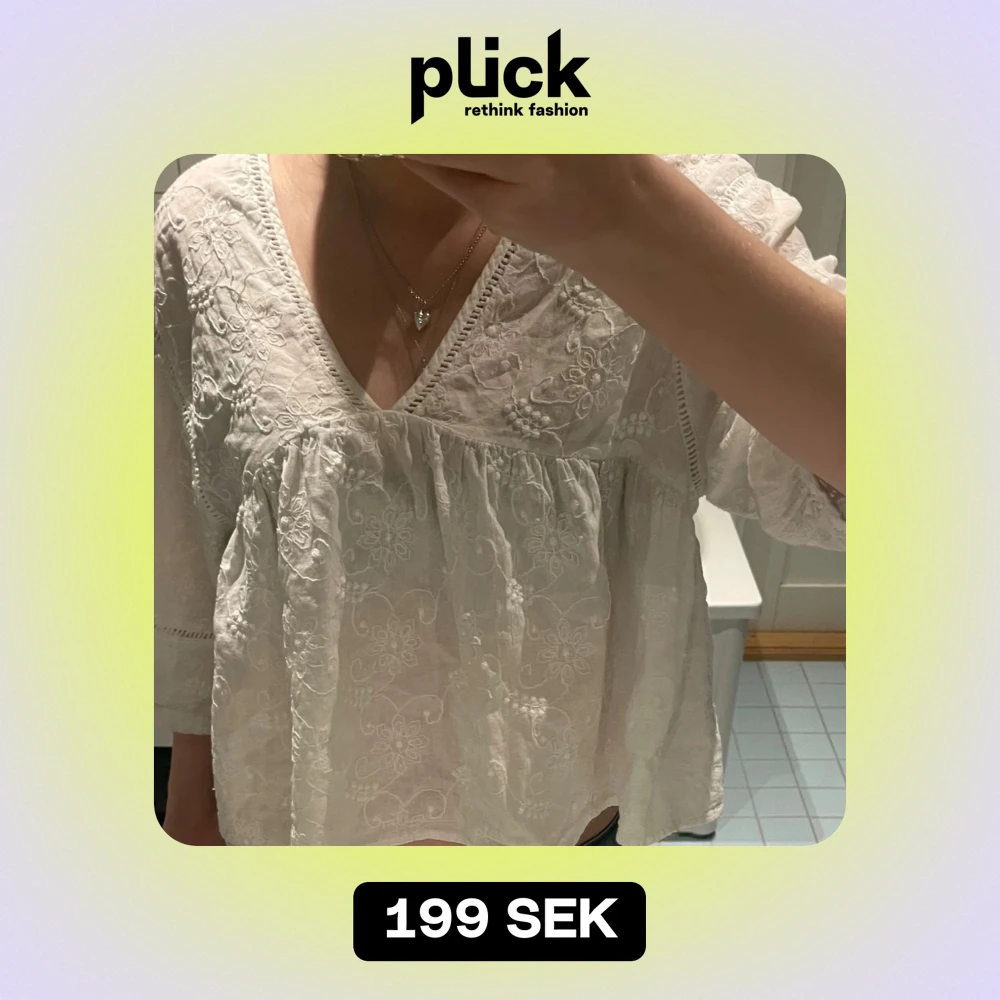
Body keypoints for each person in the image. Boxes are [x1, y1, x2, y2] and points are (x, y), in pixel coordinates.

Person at [154, 153, 845, 847]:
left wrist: (627, 208)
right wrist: (189, 796)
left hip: (562, 838)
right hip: (295, 826)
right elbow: (195, 542)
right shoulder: (208, 219)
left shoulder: (687, 197)